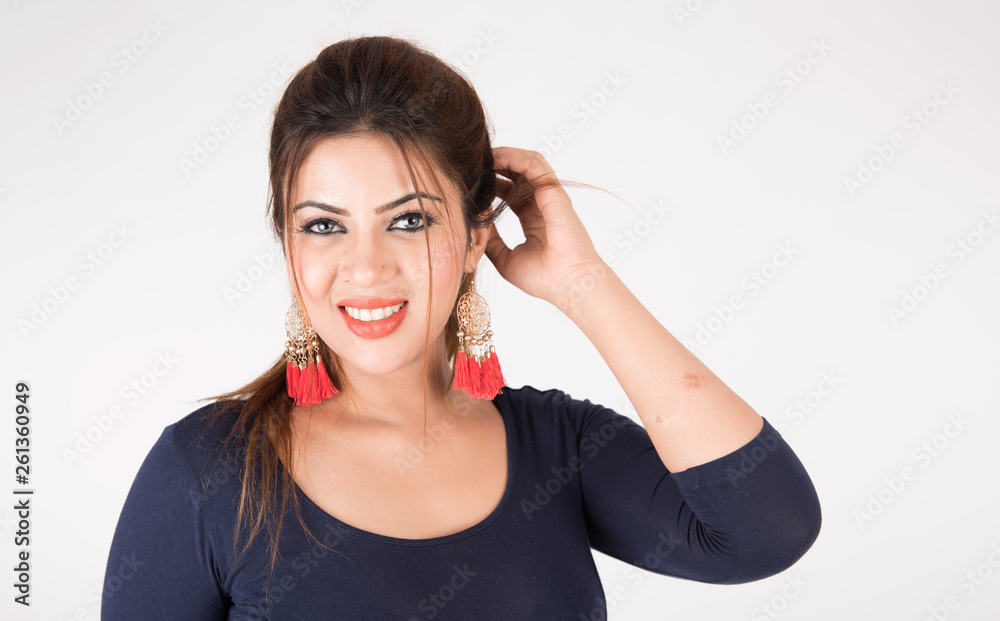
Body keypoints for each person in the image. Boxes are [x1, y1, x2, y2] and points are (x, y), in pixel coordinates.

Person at [101, 35, 821, 620]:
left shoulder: (556, 450)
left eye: (408, 220)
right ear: (288, 243)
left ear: (478, 233)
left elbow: (766, 528)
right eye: (323, 225)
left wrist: (583, 283)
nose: (364, 267)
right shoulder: (207, 474)